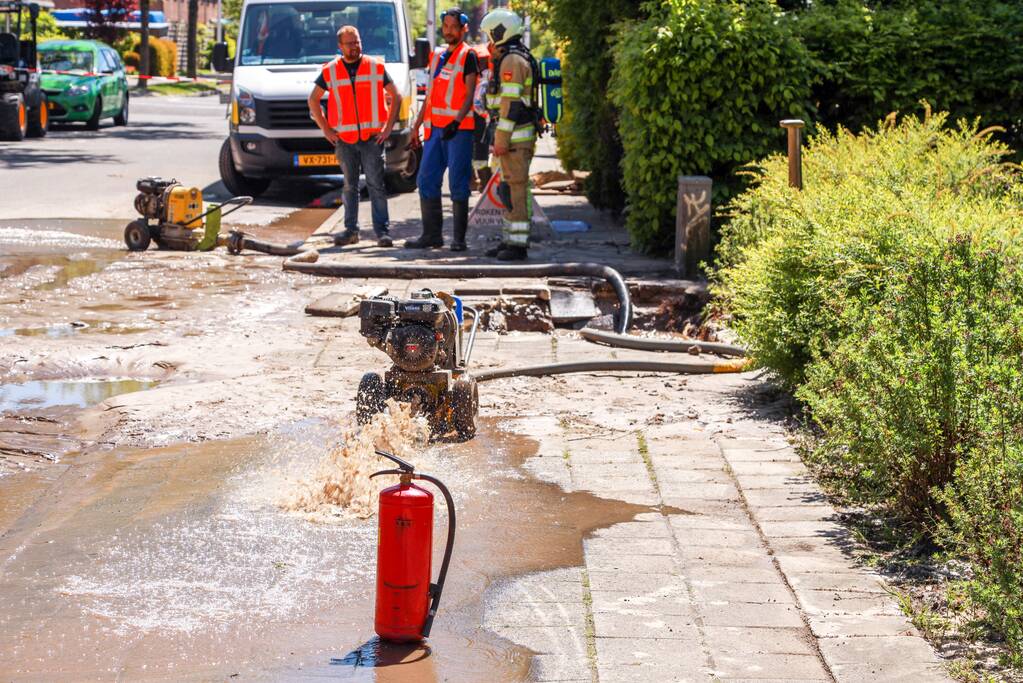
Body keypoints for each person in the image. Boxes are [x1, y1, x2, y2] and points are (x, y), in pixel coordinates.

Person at [307, 25, 402, 247]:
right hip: (344, 139)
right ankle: (350, 231)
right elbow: (313, 100)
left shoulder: (375, 66)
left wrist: (389, 127)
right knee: (349, 186)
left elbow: (396, 95)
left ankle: (382, 233)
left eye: (357, 41)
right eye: (350, 43)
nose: (355, 47)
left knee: (376, 185)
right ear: (340, 47)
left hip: (371, 138)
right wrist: (326, 129)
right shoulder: (330, 70)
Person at [405, 8, 478, 252]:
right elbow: (430, 96)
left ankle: (459, 240)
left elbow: (470, 94)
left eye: (453, 27)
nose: (448, 31)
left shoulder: (468, 55)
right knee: (425, 179)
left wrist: (456, 122)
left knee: (458, 183)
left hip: (459, 131)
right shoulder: (437, 56)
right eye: (445, 26)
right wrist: (416, 127)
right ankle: (431, 236)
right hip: (435, 130)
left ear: (463, 28)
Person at [480, 9, 538, 261]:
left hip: (515, 140)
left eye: (490, 36)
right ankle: (508, 240)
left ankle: (518, 245)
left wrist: (500, 141)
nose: (488, 42)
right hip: (512, 139)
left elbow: (511, 105)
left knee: (515, 190)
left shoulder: (512, 61)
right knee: (507, 190)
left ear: (499, 31)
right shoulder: (510, 58)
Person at [470, 42, 493, 191]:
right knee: (480, 148)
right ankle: (483, 182)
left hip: (470, 112)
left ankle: (474, 181)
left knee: (473, 148)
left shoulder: (476, 54)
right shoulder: (486, 69)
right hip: (478, 113)